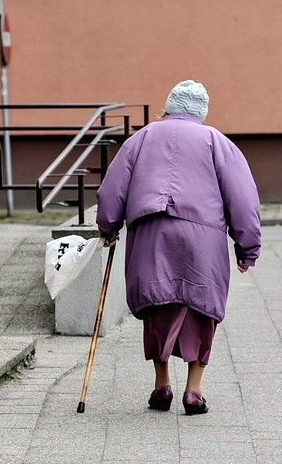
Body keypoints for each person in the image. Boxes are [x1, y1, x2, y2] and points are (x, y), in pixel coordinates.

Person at [96, 79, 261, 415]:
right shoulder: (217, 142)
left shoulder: (140, 138)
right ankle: (194, 391)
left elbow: (113, 186)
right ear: (201, 112)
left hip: (150, 232)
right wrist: (247, 247)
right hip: (203, 236)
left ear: (169, 107)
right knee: (201, 308)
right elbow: (243, 198)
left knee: (157, 306)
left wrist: (108, 226)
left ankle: (161, 385)